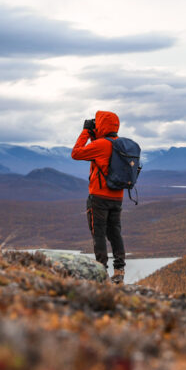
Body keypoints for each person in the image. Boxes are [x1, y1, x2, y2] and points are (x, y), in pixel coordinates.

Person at [71, 110, 126, 284]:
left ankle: (101, 272)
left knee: (99, 233)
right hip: (117, 196)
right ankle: (119, 271)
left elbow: (76, 153)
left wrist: (86, 132)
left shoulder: (101, 145)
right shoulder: (122, 144)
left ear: (101, 125)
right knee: (115, 233)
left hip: (99, 197)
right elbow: (103, 156)